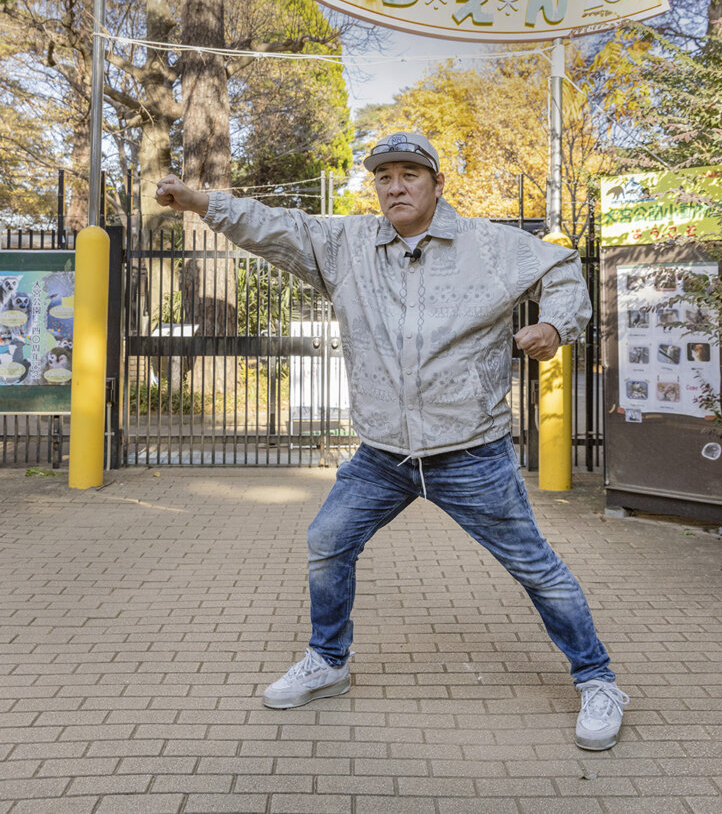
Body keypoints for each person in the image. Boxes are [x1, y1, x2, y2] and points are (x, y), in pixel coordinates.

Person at [156, 131, 628, 751]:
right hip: (383, 455)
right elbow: (273, 225)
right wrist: (200, 203)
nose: (395, 186)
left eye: (409, 174)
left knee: (535, 567)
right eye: (384, 176)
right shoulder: (347, 244)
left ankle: (598, 680)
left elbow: (562, 267)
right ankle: (328, 662)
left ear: (436, 183)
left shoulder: (487, 245)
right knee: (327, 540)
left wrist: (554, 323)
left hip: (470, 454)